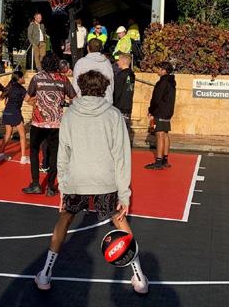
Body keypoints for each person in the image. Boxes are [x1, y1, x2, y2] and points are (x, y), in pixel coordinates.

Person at [34, 70, 149, 294]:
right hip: (106, 180)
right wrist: (124, 195)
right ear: (104, 88)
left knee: (64, 219)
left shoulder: (70, 115)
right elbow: (121, 156)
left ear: (80, 88)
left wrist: (63, 188)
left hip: (77, 179)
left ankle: (45, 274)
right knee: (119, 220)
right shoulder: (114, 115)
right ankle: (139, 277)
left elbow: (63, 154)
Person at [22, 52, 76, 196]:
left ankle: (35, 184)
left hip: (38, 122)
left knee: (34, 151)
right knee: (54, 154)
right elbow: (74, 98)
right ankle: (51, 187)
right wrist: (63, 104)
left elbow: (27, 98)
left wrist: (37, 104)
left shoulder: (37, 78)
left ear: (44, 64)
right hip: (56, 123)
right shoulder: (63, 79)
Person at [145, 61, 176, 170]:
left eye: (159, 68)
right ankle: (165, 160)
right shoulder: (171, 82)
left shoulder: (162, 82)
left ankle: (159, 162)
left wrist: (151, 110)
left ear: (164, 70)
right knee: (165, 134)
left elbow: (156, 98)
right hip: (168, 111)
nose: (157, 70)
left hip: (160, 111)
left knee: (160, 135)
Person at [0, 71, 31, 163]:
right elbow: (27, 99)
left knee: (8, 134)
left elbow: (1, 98)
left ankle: (0, 154)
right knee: (22, 135)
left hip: (7, 112)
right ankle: (23, 157)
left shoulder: (9, 87)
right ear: (19, 79)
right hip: (15, 112)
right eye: (23, 77)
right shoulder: (21, 89)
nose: (24, 79)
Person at [73, 38, 114, 103]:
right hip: (104, 101)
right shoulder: (107, 63)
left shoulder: (81, 62)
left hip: (85, 101)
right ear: (101, 49)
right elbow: (111, 84)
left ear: (88, 48)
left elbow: (75, 85)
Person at [113, 53, 135, 135]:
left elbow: (117, 91)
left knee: (119, 131)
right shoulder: (131, 74)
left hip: (120, 106)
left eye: (119, 60)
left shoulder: (121, 75)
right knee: (125, 130)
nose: (117, 62)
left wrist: (113, 103)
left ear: (123, 61)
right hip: (128, 105)